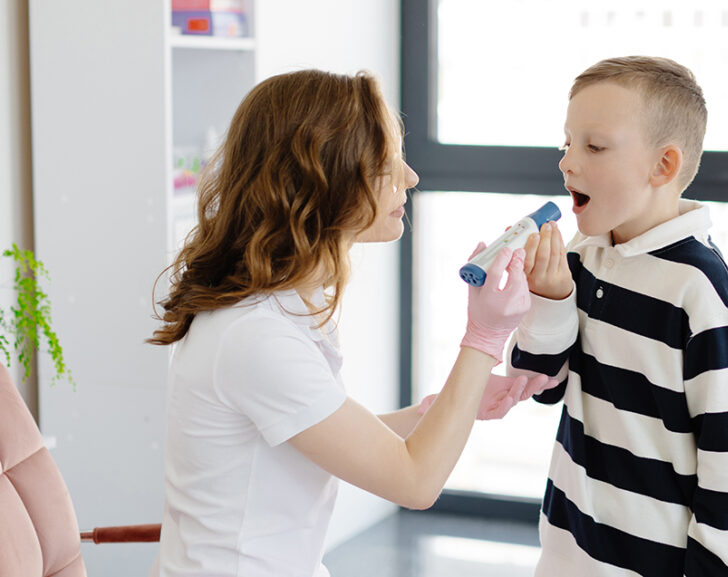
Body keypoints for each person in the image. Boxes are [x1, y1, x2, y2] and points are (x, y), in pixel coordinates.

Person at [147, 69, 548, 577]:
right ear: (325, 176)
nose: (410, 178)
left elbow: (313, 435)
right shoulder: (255, 336)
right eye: (386, 162)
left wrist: (444, 409)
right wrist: (486, 336)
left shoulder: (286, 301)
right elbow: (415, 483)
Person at [505, 56, 728, 576]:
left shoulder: (698, 290)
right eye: (567, 143)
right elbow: (540, 385)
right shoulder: (582, 254)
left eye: (594, 146)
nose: (567, 162)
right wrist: (552, 298)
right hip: (567, 554)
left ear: (663, 166)